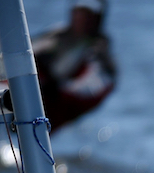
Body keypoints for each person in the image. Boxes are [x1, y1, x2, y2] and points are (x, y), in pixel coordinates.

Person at [32, 0, 117, 131]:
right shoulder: (56, 35)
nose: (81, 18)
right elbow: (30, 50)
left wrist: (61, 89)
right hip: (39, 89)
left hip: (59, 102)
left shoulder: (99, 51)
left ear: (97, 19)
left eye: (88, 14)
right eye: (79, 12)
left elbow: (96, 84)